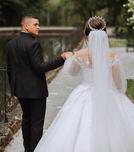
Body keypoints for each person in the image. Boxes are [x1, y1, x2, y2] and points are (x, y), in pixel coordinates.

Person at [34, 16, 134, 152]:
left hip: (84, 93)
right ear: (104, 34)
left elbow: (72, 73)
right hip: (108, 94)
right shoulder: (112, 56)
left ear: (86, 35)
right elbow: (118, 84)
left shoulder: (80, 54)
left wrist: (72, 59)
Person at [6, 15, 71, 152]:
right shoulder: (33, 43)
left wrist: (14, 91)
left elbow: (10, 70)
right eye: (35, 24)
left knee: (27, 119)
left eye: (38, 24)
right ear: (26, 26)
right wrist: (61, 58)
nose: (38, 27)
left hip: (20, 90)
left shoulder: (10, 44)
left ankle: (27, 149)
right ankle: (35, 150)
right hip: (35, 91)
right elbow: (40, 67)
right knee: (36, 123)